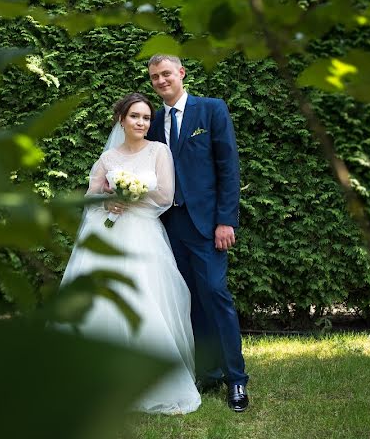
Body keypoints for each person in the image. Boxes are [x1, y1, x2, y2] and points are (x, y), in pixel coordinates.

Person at [59, 92, 202, 415]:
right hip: (106, 235)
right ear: (121, 120)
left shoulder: (158, 151)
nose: (141, 122)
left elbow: (165, 194)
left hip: (143, 234)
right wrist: (107, 199)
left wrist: (133, 194)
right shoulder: (108, 159)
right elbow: (90, 196)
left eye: (147, 118)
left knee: (144, 300)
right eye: (135, 116)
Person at [145, 54, 249, 412]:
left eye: (166, 74)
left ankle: (236, 380)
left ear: (181, 74)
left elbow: (228, 167)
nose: (161, 81)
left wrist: (226, 220)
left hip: (207, 225)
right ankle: (209, 371)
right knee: (188, 302)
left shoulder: (211, 110)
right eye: (155, 77)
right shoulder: (154, 122)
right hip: (170, 227)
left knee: (216, 295)